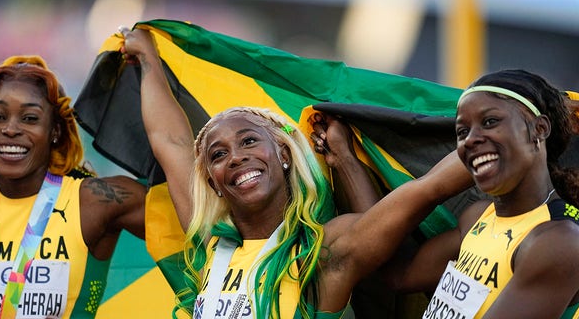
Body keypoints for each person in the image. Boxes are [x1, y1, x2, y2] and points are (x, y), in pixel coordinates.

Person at [120, 27, 474, 318]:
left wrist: (495, 140)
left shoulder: (320, 253)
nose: (236, 158)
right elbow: (169, 140)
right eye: (218, 154)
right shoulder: (209, 246)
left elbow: (425, 190)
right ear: (212, 180)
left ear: (284, 154)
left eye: (249, 141)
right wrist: (148, 57)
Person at [376, 69, 579, 318]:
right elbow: (399, 275)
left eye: (490, 122)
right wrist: (347, 157)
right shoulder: (478, 217)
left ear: (539, 129)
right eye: (462, 132)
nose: (469, 140)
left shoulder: (559, 242)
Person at [0, 56, 146, 319]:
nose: (10, 129)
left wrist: (150, 77)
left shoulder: (94, 202)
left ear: (55, 130)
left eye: (30, 118)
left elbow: (194, 221)